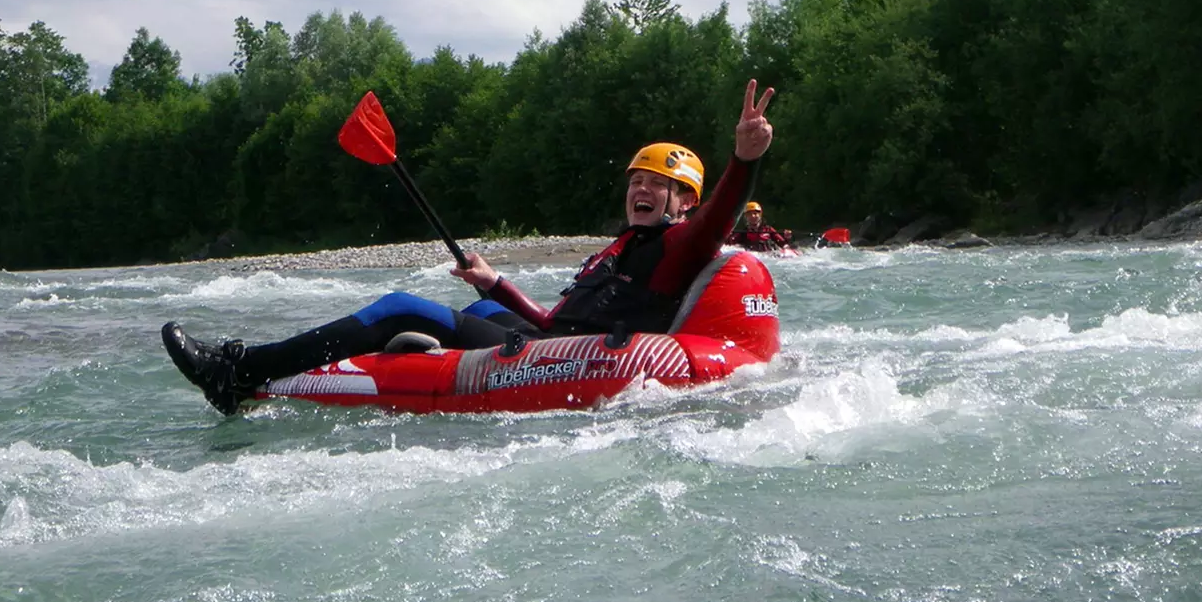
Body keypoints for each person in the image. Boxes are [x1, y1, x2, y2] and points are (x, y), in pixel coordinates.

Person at [161, 79, 776, 414]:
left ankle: (236, 371)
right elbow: (555, 320)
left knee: (402, 306)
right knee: (480, 311)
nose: (640, 191)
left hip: (572, 358)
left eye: (657, 186)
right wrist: (494, 284)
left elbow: (720, 216)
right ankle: (327, 361)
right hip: (556, 342)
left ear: (683, 202)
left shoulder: (678, 246)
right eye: (636, 181)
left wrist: (743, 160)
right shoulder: (616, 251)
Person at [726, 201, 792, 252]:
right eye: (749, 214)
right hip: (753, 258)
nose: (753, 216)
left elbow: (783, 244)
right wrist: (727, 236)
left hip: (769, 256)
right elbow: (729, 244)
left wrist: (787, 238)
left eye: (755, 213)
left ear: (760, 215)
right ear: (746, 217)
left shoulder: (768, 229)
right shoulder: (743, 233)